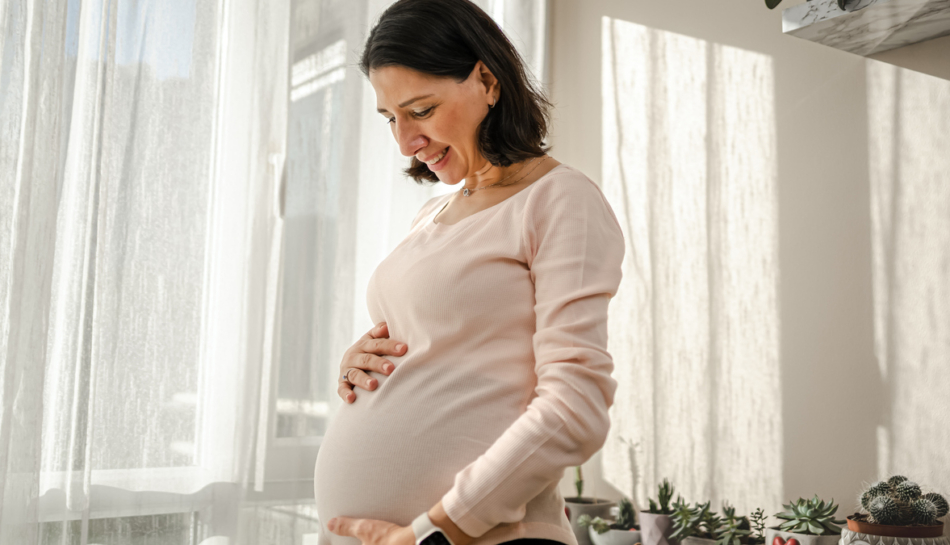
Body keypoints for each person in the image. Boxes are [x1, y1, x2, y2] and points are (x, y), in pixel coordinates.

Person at [313, 2, 625, 545]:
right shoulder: (432, 213)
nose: (405, 141)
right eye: (391, 118)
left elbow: (576, 405)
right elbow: (443, 349)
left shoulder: (559, 200)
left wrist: (434, 532)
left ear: (486, 80)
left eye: (422, 110)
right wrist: (356, 364)